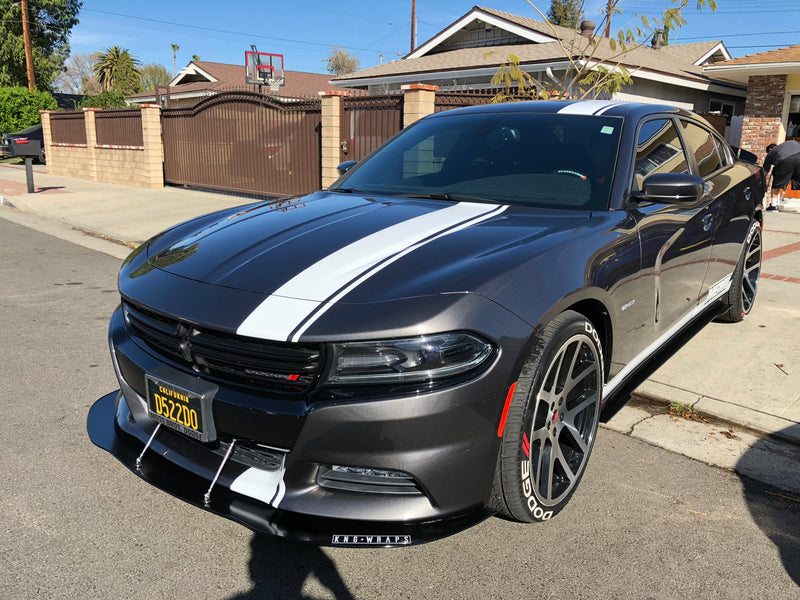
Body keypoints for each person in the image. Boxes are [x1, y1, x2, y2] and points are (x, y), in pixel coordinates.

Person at [763, 140, 800, 210]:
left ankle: (773, 206)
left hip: (784, 159)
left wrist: (762, 183)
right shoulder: (786, 145)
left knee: (777, 183)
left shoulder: (771, 153)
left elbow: (765, 172)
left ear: (769, 151)